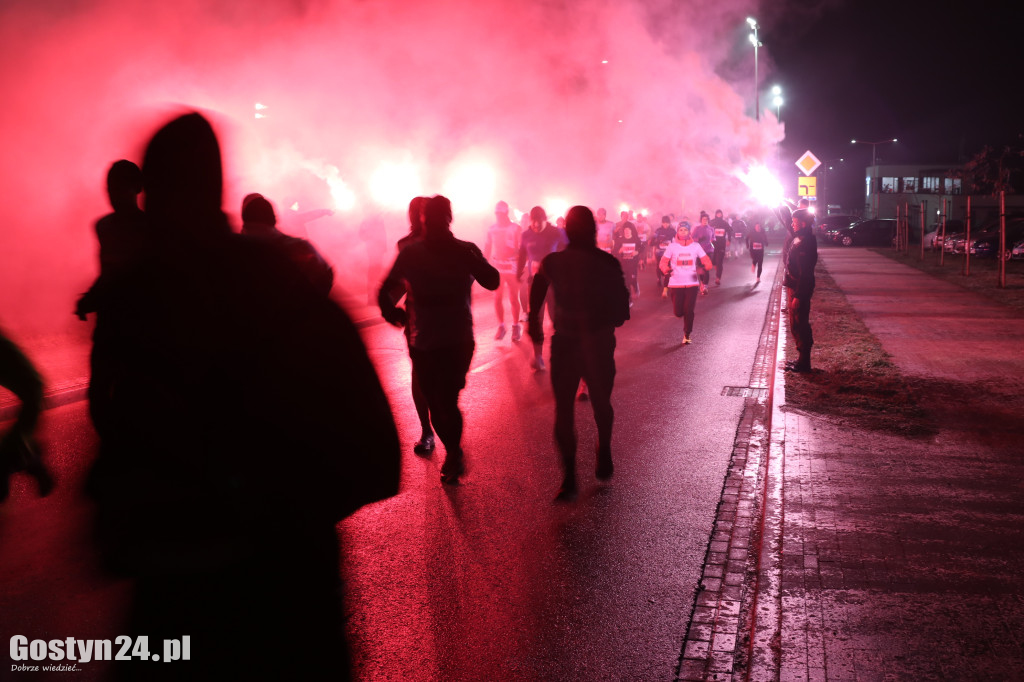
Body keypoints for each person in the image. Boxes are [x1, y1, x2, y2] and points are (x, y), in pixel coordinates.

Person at [87, 113, 401, 681]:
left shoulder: (132, 304)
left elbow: (111, 460)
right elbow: (377, 459)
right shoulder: (279, 283)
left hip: (175, 624)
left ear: (150, 196)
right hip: (289, 610)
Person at [379, 195, 500, 484]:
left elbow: (492, 280)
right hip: (443, 339)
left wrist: (391, 313)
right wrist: (392, 312)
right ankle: (454, 452)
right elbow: (387, 291)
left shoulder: (454, 250)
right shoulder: (418, 252)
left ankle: (454, 453)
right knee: (442, 402)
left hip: (439, 340)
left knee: (442, 401)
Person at [528, 206, 630, 501]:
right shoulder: (608, 263)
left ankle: (570, 478)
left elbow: (534, 299)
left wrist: (534, 327)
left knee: (564, 410)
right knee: (601, 403)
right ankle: (604, 449)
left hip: (566, 342)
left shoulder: (553, 262)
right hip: (598, 342)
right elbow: (623, 311)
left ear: (567, 232)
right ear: (594, 231)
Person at [74, 160, 149, 437]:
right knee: (101, 396)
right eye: (110, 188)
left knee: (117, 396)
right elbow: (110, 273)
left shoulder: (147, 229)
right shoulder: (107, 227)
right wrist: (90, 300)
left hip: (135, 329)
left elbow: (115, 274)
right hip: (114, 327)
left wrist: (90, 300)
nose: (113, 194)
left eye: (119, 187)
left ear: (137, 189)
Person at [392, 196, 436, 455]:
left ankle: (445, 436)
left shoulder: (448, 244)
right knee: (419, 374)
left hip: (444, 319)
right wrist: (389, 303)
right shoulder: (405, 244)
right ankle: (426, 432)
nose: (420, 216)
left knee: (440, 380)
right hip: (416, 318)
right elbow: (401, 281)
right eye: (417, 212)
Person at [240, 193, 334, 296]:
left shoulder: (235, 250)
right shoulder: (296, 247)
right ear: (273, 218)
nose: (298, 205)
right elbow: (324, 275)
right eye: (295, 203)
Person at [0, 329, 53, 503]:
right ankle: (32, 461)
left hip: (33, 394)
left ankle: (31, 461)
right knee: (15, 443)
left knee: (13, 447)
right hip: (33, 391)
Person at [517, 206, 568, 371]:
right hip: (535, 282)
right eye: (533, 223)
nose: (536, 226)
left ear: (545, 219)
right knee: (536, 319)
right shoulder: (526, 235)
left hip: (554, 282)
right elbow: (522, 254)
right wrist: (518, 273)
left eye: (539, 222)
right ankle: (537, 356)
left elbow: (568, 249)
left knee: (557, 318)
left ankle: (566, 353)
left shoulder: (556, 232)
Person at [660, 223, 712, 344]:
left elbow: (706, 259)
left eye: (685, 230)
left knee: (689, 310)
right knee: (678, 312)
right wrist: (665, 269)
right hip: (676, 283)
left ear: (689, 232)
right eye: (681, 230)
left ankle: (687, 334)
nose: (683, 232)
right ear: (677, 232)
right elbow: (663, 262)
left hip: (692, 283)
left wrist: (706, 267)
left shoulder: (695, 246)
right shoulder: (672, 247)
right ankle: (682, 315)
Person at [784, 208, 818, 372]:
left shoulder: (806, 242)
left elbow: (805, 273)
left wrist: (798, 295)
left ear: (803, 224)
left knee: (800, 324)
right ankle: (801, 360)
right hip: (794, 287)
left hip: (799, 289)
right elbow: (785, 219)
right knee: (795, 324)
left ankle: (804, 363)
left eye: (795, 222)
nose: (792, 224)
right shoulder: (800, 235)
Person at [483, 200, 522, 341]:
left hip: (512, 267)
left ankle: (516, 326)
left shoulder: (515, 228)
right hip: (497, 266)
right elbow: (487, 247)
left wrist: (514, 253)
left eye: (501, 213)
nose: (498, 216)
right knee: (497, 297)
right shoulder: (492, 229)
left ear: (506, 213)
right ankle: (501, 326)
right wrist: (483, 264)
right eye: (497, 213)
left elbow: (521, 248)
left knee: (513, 297)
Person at [612, 220, 641, 298]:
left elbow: (641, 248)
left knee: (632, 279)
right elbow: (614, 251)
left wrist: (637, 252)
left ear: (631, 230)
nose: (626, 232)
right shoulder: (620, 240)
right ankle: (629, 300)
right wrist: (619, 251)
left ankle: (635, 285)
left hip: (633, 263)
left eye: (628, 230)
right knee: (626, 282)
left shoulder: (636, 239)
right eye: (625, 230)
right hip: (623, 263)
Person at [653, 216, 677, 295]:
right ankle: (658, 278)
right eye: (664, 223)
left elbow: (677, 239)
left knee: (668, 266)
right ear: (662, 223)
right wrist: (657, 240)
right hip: (659, 251)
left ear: (669, 223)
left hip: (669, 252)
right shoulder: (658, 230)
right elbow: (653, 239)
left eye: (667, 223)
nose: (665, 225)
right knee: (658, 265)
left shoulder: (672, 231)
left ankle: (666, 279)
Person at [691, 212, 714, 293]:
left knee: (706, 268)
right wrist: (698, 239)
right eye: (703, 219)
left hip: (709, 251)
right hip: (699, 251)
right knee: (701, 269)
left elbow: (713, 239)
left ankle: (705, 286)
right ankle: (702, 282)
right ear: (701, 220)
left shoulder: (711, 229)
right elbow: (692, 238)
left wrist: (713, 245)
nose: (705, 220)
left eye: (706, 219)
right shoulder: (697, 229)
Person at [709, 209, 730, 285]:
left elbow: (730, 231)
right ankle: (716, 268)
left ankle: (718, 278)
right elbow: (708, 231)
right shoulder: (712, 222)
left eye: (720, 214)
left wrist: (729, 240)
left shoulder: (724, 223)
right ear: (715, 214)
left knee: (719, 261)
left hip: (721, 244)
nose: (719, 215)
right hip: (713, 244)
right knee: (714, 261)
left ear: (722, 215)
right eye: (717, 214)